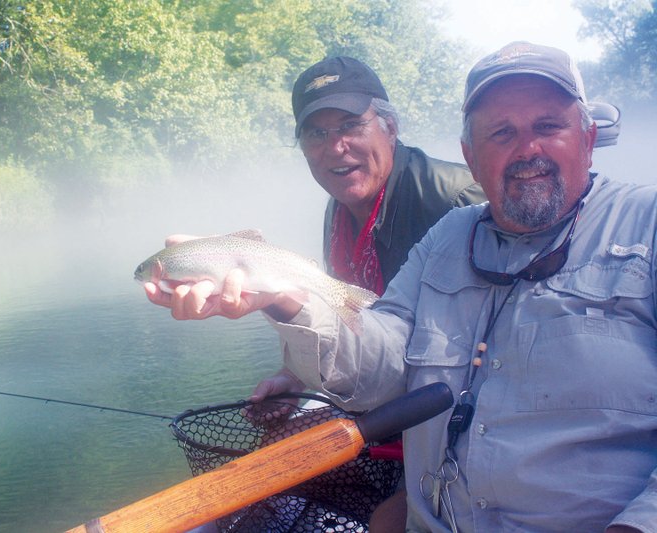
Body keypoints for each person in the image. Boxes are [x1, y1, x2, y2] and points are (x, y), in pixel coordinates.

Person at [145, 41, 655, 532]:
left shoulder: (645, 225)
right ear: (470, 153)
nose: (527, 149)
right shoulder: (442, 240)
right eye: (499, 133)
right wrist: (285, 300)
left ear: (588, 138)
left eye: (548, 126)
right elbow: (382, 364)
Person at [252, 55, 486, 531]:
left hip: (455, 423)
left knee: (385, 520)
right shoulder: (338, 209)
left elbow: (494, 357)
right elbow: (349, 317)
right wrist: (295, 373)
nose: (336, 148)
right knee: (271, 464)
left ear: (391, 127)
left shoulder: (458, 202)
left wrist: (414, 492)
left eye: (351, 125)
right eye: (315, 133)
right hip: (386, 406)